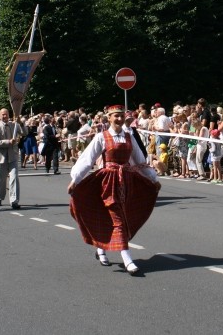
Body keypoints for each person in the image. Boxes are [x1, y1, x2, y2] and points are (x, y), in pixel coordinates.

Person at [68, 105, 161, 275]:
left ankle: (100, 248)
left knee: (119, 216)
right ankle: (127, 258)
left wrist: (153, 178)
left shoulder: (129, 137)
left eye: (121, 116)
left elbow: (139, 161)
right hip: (107, 182)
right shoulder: (101, 137)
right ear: (109, 118)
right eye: (115, 116)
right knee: (116, 217)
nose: (119, 119)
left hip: (126, 181)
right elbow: (87, 159)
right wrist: (76, 179)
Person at [0, 108, 26, 209]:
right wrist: (8, 142)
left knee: (14, 177)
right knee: (1, 179)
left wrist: (21, 124)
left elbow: (24, 133)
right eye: (3, 115)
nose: (5, 116)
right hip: (1, 157)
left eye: (6, 114)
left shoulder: (14, 125)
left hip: (13, 156)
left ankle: (14, 201)